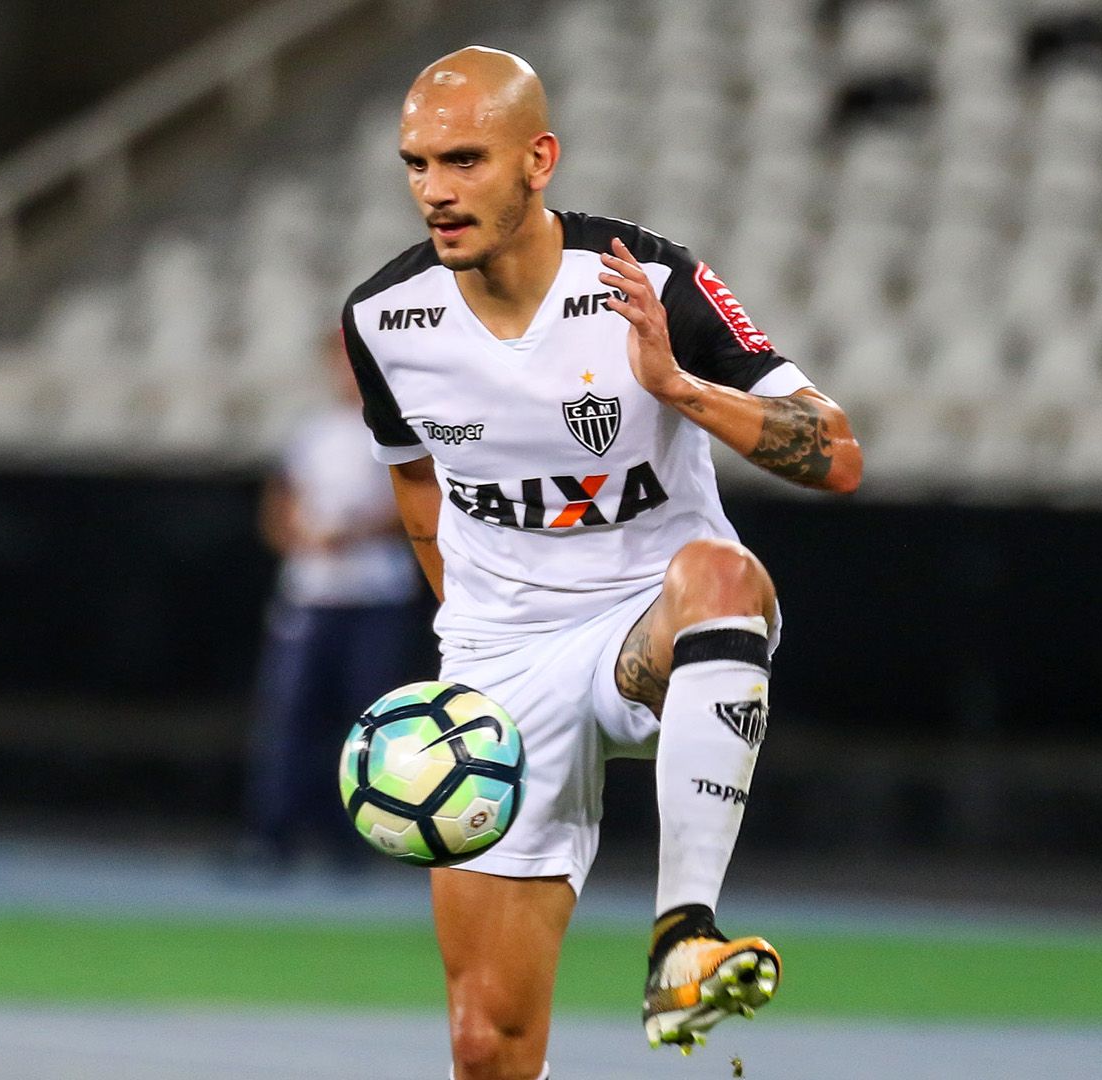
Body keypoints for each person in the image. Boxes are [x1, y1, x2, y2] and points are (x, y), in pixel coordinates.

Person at [340, 46, 862, 1079]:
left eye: (464, 160)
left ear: (539, 158)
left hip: (649, 621)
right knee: (489, 1043)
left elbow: (837, 452)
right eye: (417, 164)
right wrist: (475, 651)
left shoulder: (647, 279)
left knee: (725, 577)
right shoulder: (381, 321)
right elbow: (415, 488)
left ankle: (683, 940)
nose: (436, 193)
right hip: (500, 658)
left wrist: (682, 389)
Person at [244, 332, 421, 870]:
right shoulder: (313, 432)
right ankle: (274, 834)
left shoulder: (396, 428)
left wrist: (355, 533)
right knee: (291, 717)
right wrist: (300, 536)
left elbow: (415, 505)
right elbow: (280, 504)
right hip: (313, 594)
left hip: (374, 595)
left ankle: (356, 838)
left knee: (367, 723)